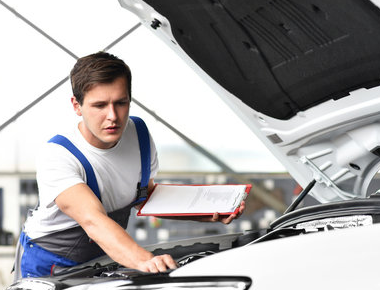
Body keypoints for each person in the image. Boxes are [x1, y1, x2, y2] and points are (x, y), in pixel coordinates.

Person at [17, 51, 244, 278]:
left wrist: (202, 212)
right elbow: (92, 220)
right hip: (49, 262)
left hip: (106, 254)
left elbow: (144, 196)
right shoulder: (58, 155)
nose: (113, 116)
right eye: (100, 105)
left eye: (121, 103)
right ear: (77, 105)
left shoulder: (139, 135)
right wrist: (146, 260)